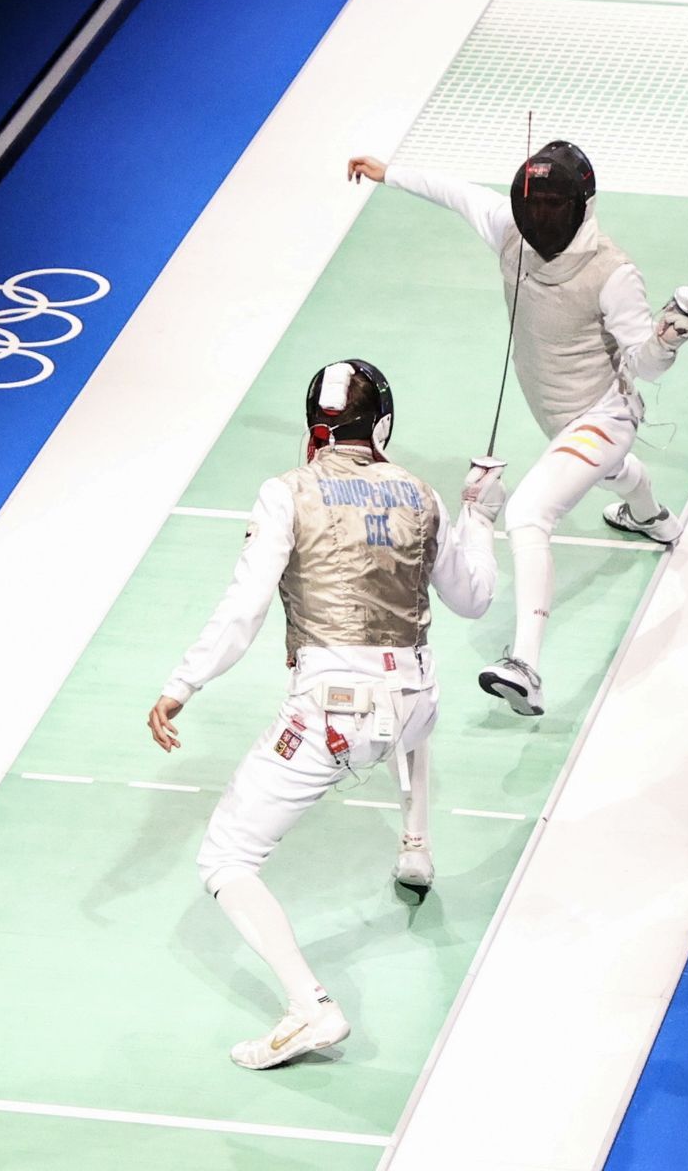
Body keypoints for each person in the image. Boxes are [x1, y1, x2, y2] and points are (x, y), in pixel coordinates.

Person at [147, 358, 499, 1070]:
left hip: (334, 715)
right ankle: (416, 844)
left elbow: (245, 607)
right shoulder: (423, 494)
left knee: (226, 857)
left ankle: (309, 1008)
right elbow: (474, 600)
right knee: (410, 704)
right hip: (417, 705)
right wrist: (480, 517)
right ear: (383, 425)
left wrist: (183, 683)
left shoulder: (286, 492)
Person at [346, 141, 688, 717]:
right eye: (532, 205)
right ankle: (651, 516)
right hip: (558, 418)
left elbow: (643, 363)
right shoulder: (511, 234)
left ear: (581, 206)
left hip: (602, 417)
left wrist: (665, 342)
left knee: (530, 511)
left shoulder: (613, 273)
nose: (540, 217)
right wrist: (391, 174)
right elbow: (458, 194)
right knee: (610, 474)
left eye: (552, 206)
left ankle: (526, 667)